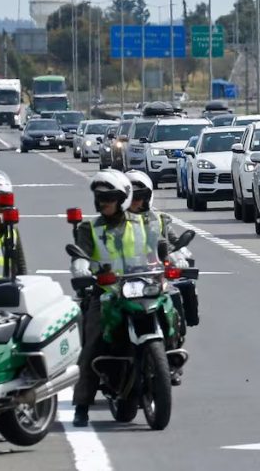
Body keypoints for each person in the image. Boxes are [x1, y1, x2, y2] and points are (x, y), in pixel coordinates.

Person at [70, 170, 158, 427]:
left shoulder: (142, 223)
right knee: (92, 343)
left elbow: (158, 247)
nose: (104, 202)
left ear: (122, 198)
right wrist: (80, 266)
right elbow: (81, 253)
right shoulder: (89, 228)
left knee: (168, 309)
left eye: (109, 197)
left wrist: (173, 256)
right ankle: (82, 405)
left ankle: (167, 362)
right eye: (100, 198)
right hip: (106, 292)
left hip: (141, 286)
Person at [124, 170, 190, 386]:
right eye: (131, 196)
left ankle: (173, 353)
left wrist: (179, 255)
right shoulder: (113, 222)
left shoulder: (159, 220)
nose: (136, 201)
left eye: (140, 196)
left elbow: (174, 243)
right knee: (98, 316)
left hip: (152, 279)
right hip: (120, 282)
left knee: (175, 297)